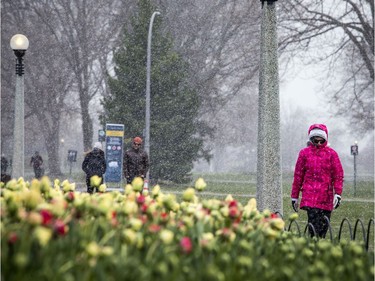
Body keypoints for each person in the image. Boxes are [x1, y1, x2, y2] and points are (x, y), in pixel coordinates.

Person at [291, 124, 344, 238]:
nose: (319, 144)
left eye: (321, 141)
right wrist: (294, 196)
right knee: (314, 227)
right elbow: (298, 176)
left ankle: (319, 248)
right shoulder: (304, 153)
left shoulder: (332, 154)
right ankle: (313, 246)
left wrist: (338, 194)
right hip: (310, 197)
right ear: (311, 140)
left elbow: (338, 175)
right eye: (316, 141)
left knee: (324, 227)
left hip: (326, 196)